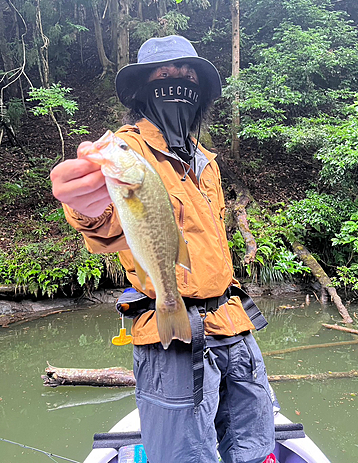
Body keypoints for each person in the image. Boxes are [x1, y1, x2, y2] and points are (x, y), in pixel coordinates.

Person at [51, 35, 275, 463]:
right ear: (141, 90)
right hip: (172, 338)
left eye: (188, 76)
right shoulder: (126, 150)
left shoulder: (206, 162)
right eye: (164, 75)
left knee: (255, 448)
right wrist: (85, 207)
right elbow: (106, 225)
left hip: (235, 326)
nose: (178, 83)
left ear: (201, 92)